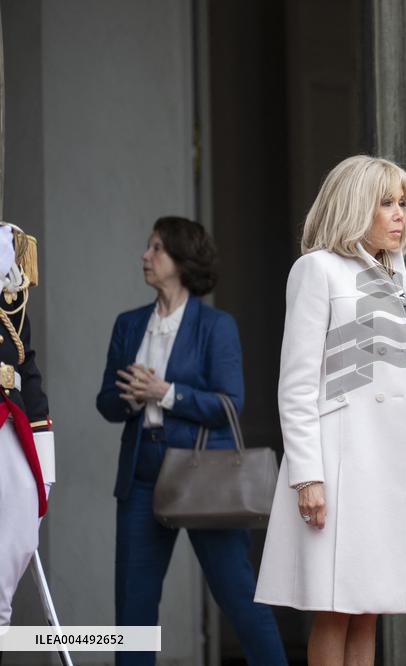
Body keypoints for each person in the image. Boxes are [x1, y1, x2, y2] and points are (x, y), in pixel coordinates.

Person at [256, 155, 406, 666]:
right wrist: (307, 476)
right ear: (354, 207)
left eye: (404, 204)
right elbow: (298, 382)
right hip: (339, 461)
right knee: (334, 608)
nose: (400, 215)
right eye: (387, 203)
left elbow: (395, 365)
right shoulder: (317, 269)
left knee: (368, 607)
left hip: (386, 465)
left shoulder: (396, 278)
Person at [96, 216, 286, 666]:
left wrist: (165, 392)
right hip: (142, 473)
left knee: (238, 594)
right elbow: (106, 403)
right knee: (134, 607)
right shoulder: (129, 325)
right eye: (148, 247)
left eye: (156, 248)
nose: (145, 255)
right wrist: (131, 395)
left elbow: (228, 404)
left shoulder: (214, 326)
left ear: (181, 260)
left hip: (203, 473)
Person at [0, 222, 55, 628]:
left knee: (15, 540)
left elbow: (24, 362)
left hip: (10, 423)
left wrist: (42, 442)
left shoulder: (9, 252)